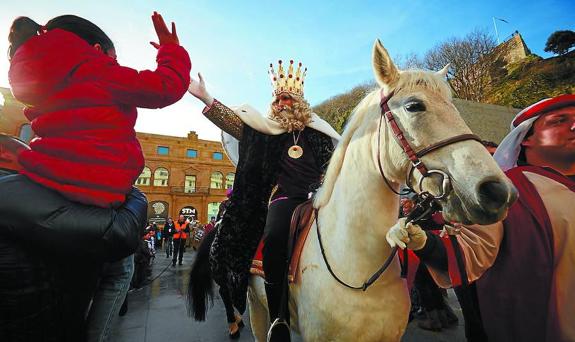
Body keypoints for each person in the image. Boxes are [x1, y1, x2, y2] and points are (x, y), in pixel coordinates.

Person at [3, 11, 190, 342]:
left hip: (48, 176)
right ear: (97, 49)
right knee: (121, 270)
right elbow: (165, 87)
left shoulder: (37, 78)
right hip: (98, 189)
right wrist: (170, 50)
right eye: (114, 57)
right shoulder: (96, 69)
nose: (116, 63)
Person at [386, 94, 575, 341]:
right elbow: (469, 251)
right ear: (526, 138)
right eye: (559, 120)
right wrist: (424, 242)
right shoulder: (509, 190)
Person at [188, 59, 340, 340]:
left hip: (320, 196)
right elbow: (236, 124)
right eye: (278, 99)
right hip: (284, 199)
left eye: (288, 98)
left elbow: (334, 164)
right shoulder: (266, 132)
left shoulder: (318, 131)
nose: (282, 102)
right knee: (275, 235)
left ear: (299, 101)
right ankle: (279, 316)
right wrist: (206, 98)